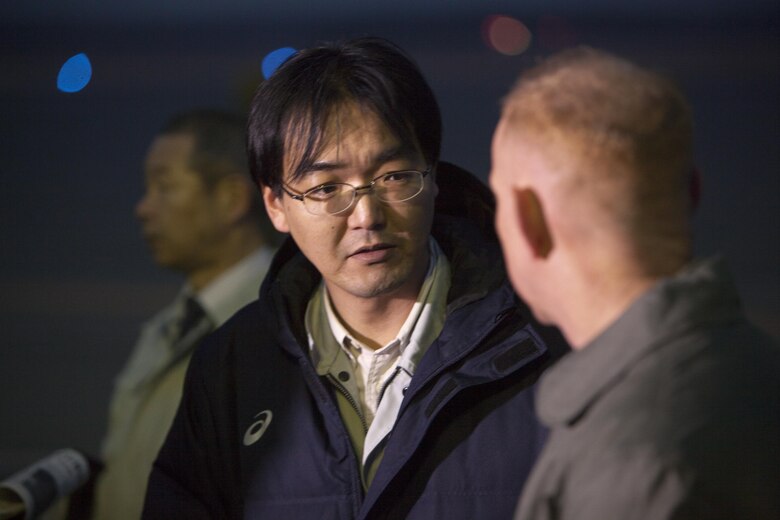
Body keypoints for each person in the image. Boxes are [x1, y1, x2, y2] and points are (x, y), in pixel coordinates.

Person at [143, 37, 568, 519]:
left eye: (393, 176)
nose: (366, 215)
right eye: (326, 187)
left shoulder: (541, 348)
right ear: (276, 205)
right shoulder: (232, 368)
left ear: (433, 175)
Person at [488, 46, 780, 519]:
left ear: (529, 220)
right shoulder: (756, 369)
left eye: (497, 197)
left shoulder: (629, 464)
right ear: (693, 192)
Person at [90, 110, 280, 520]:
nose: (144, 208)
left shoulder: (277, 321)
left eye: (165, 186)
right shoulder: (167, 327)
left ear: (231, 198)